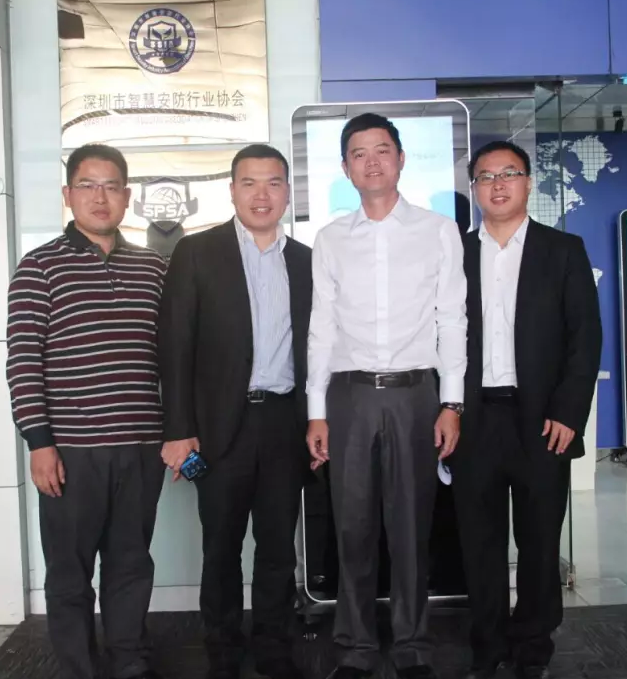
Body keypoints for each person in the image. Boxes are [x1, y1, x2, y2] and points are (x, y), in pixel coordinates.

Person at [307, 113, 467, 679]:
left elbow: (452, 319)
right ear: (345, 167)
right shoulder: (330, 239)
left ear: (400, 159)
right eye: (359, 153)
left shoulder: (437, 230)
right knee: (351, 527)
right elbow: (321, 328)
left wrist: (451, 403)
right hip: (349, 397)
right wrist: (317, 411)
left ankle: (412, 644)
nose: (371, 161)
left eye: (381, 150)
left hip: (415, 395)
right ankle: (354, 645)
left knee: (411, 528)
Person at [6, 144, 167, 679]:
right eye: (88, 185)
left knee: (131, 563)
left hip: (141, 447)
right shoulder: (39, 267)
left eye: (111, 186)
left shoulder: (153, 268)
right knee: (70, 573)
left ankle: (129, 660)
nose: (100, 197)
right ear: (68, 194)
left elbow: (172, 356)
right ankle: (78, 667)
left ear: (127, 196)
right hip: (71, 453)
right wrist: (39, 443)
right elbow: (22, 360)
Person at [158, 144, 312, 679]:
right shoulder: (198, 252)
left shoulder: (306, 261)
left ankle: (274, 644)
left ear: (287, 192)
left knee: (278, 545)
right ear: (232, 191)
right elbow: (174, 346)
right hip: (220, 425)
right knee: (220, 545)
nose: (261, 194)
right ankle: (222, 646)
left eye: (273, 182)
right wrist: (179, 430)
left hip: (284, 422)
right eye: (249, 183)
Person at [453, 141, 602, 679]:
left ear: (528, 182)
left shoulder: (562, 250)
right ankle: (488, 642)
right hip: (474, 418)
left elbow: (584, 337)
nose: (497, 184)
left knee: (539, 539)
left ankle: (534, 642)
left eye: (509, 173)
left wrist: (568, 412)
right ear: (474, 188)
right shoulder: (454, 253)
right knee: (479, 540)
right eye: (486, 176)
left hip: (542, 419)